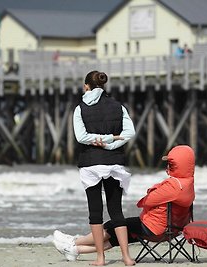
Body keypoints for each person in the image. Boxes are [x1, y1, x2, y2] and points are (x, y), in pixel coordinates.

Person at [53, 145, 195, 264]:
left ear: (178, 165)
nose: (168, 167)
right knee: (118, 236)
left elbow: (144, 202)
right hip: (173, 231)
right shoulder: (188, 184)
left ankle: (74, 241)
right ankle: (74, 250)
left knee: (113, 226)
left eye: (170, 164)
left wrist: (154, 191)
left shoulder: (173, 186)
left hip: (154, 229)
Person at [57, 70, 136, 266]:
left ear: (86, 86)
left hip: (90, 164)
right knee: (116, 211)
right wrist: (111, 141)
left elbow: (81, 137)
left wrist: (102, 142)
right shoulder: (118, 106)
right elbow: (129, 133)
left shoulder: (79, 108)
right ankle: (127, 257)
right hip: (114, 162)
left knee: (95, 212)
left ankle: (100, 258)